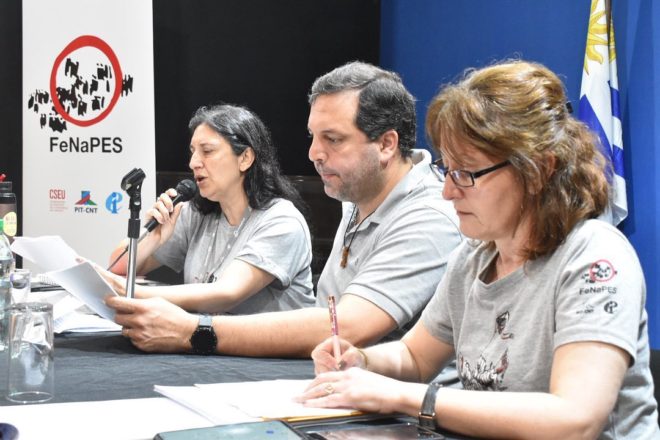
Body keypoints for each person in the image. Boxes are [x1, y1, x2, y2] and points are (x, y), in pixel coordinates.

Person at [299, 61, 660, 439]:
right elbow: (414, 357)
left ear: (537, 170)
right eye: (448, 170)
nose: (448, 191)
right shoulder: (474, 257)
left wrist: (406, 397)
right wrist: (361, 360)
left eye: (466, 174)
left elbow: (574, 420)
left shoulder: (594, 257)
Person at [105, 61, 462, 356]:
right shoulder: (357, 197)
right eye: (313, 137)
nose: (314, 153)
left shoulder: (428, 216)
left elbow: (348, 326)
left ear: (386, 144)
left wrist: (192, 330)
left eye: (333, 139)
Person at [105, 104, 315, 316]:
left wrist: (133, 294)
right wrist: (154, 238)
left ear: (245, 158)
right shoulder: (196, 213)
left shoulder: (282, 221)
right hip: (203, 336)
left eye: (207, 151)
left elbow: (227, 294)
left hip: (268, 339)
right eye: (193, 152)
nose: (193, 163)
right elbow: (118, 267)